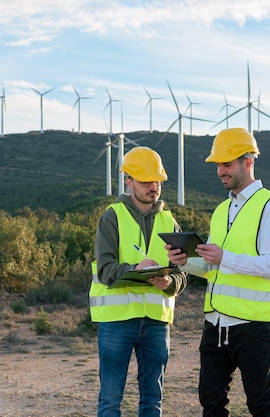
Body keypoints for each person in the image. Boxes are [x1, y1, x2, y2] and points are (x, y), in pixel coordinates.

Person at [165, 127, 270, 417]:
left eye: (227, 164)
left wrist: (225, 257)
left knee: (260, 405)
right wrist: (183, 261)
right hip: (216, 324)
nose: (220, 171)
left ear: (248, 162)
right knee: (211, 404)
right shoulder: (221, 210)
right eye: (218, 164)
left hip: (254, 326)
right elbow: (213, 267)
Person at [90, 146, 188, 417]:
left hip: (157, 323)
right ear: (128, 181)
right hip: (117, 321)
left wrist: (169, 283)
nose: (153, 187)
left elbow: (182, 274)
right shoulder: (112, 217)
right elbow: (105, 270)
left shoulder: (170, 221)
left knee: (152, 400)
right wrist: (135, 268)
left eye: (157, 181)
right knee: (110, 400)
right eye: (146, 181)